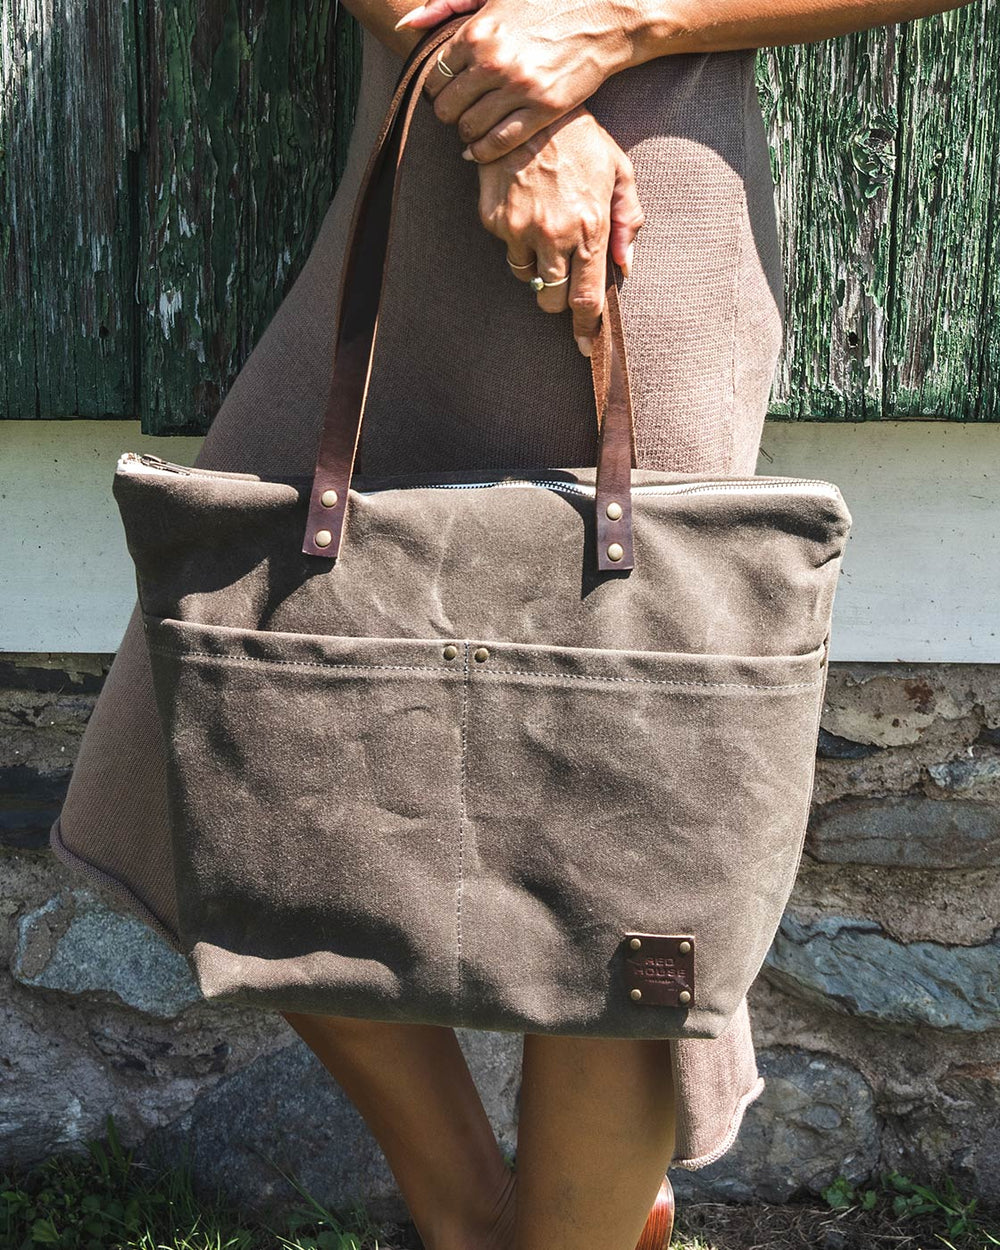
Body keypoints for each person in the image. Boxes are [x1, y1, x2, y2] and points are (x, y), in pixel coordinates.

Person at [51, 0, 971, 1246]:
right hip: (420, 172)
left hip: (647, 208)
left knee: (630, 829)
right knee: (217, 717)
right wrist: (503, 101)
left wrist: (618, 24)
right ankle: (470, 1212)